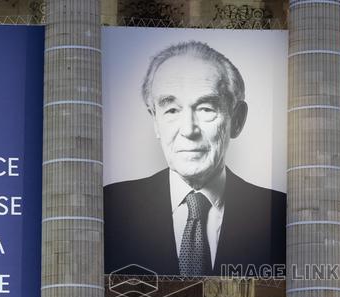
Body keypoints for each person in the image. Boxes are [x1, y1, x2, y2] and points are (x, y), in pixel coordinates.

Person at [104, 40, 286, 277]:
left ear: (237, 120)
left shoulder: (281, 215)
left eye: (206, 109)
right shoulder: (108, 209)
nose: (189, 129)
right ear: (155, 121)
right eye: (171, 110)